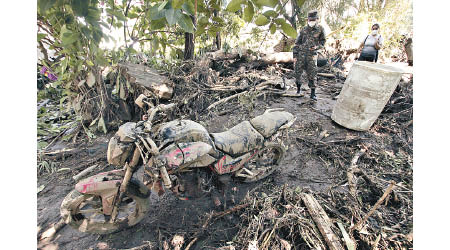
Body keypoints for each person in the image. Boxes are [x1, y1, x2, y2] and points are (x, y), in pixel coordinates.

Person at [292, 10, 326, 101]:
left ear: (317, 19)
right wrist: (295, 56)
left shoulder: (320, 29)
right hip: (301, 55)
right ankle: (298, 90)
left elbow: (323, 42)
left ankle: (313, 94)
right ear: (307, 20)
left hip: (312, 56)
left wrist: (316, 47)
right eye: (310, 20)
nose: (311, 21)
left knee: (312, 74)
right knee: (297, 73)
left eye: (313, 20)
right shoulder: (303, 29)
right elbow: (297, 43)